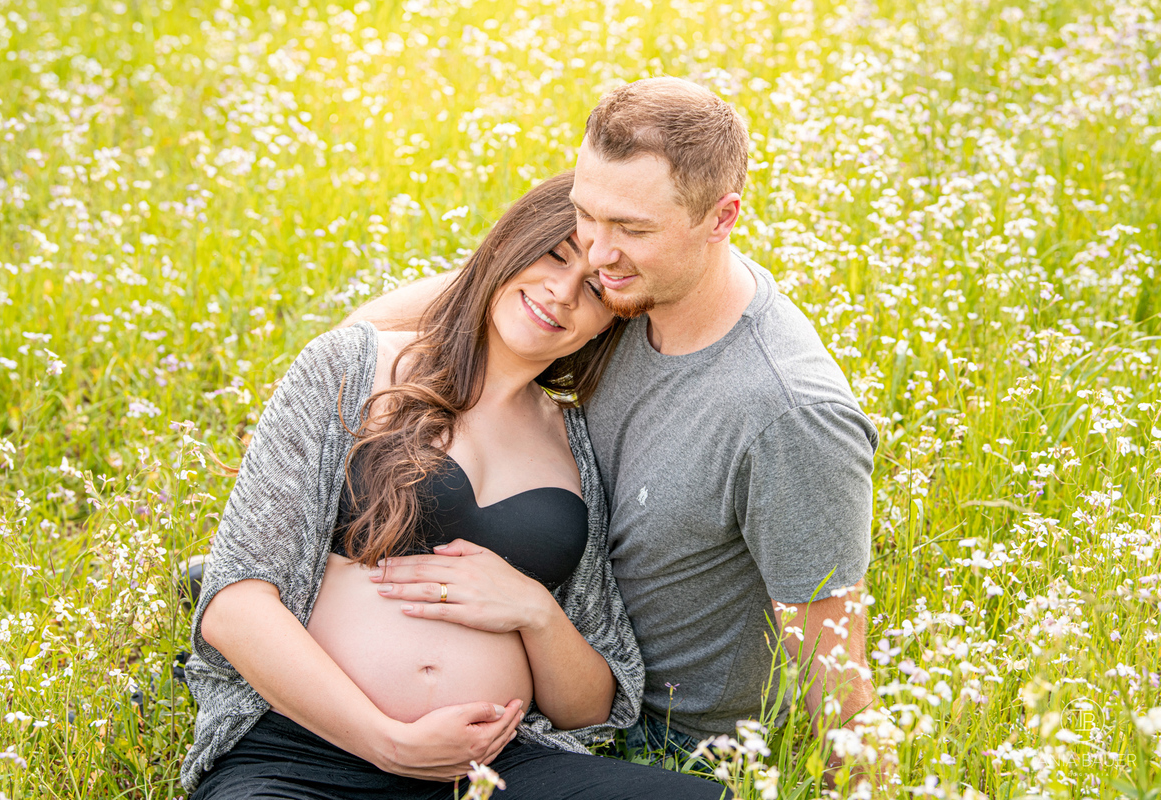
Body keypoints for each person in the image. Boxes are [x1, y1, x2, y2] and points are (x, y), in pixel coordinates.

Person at [342, 77, 882, 777]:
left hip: (648, 746)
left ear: (722, 218)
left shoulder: (787, 415)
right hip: (531, 687)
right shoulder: (621, 301)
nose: (596, 254)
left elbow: (837, 681)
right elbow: (375, 330)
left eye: (631, 229)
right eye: (585, 215)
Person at [180, 172, 728, 799]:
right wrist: (386, 741)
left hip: (495, 771)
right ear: (507, 246)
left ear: (612, 320)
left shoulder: (578, 443)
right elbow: (234, 606)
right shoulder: (354, 366)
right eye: (554, 256)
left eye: (597, 290)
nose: (561, 293)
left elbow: (592, 709)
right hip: (305, 749)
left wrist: (536, 611)